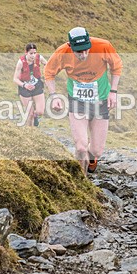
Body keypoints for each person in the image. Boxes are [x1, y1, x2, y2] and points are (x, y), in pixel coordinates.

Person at [44, 27, 122, 174]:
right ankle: (81, 179)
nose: (84, 54)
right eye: (79, 51)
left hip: (101, 100)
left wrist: (113, 91)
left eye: (86, 49)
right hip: (77, 101)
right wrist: (53, 96)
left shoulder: (103, 46)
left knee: (96, 150)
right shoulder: (62, 52)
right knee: (81, 147)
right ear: (70, 46)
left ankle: (91, 161)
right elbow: (49, 72)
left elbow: (116, 67)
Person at [13, 43, 48, 127]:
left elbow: (47, 65)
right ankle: (31, 131)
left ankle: (36, 116)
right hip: (24, 88)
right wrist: (24, 85)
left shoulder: (39, 58)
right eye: (31, 53)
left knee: (40, 112)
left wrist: (46, 76)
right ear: (26, 53)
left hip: (37, 86)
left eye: (34, 53)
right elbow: (15, 79)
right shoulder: (21, 62)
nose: (33, 55)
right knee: (30, 114)